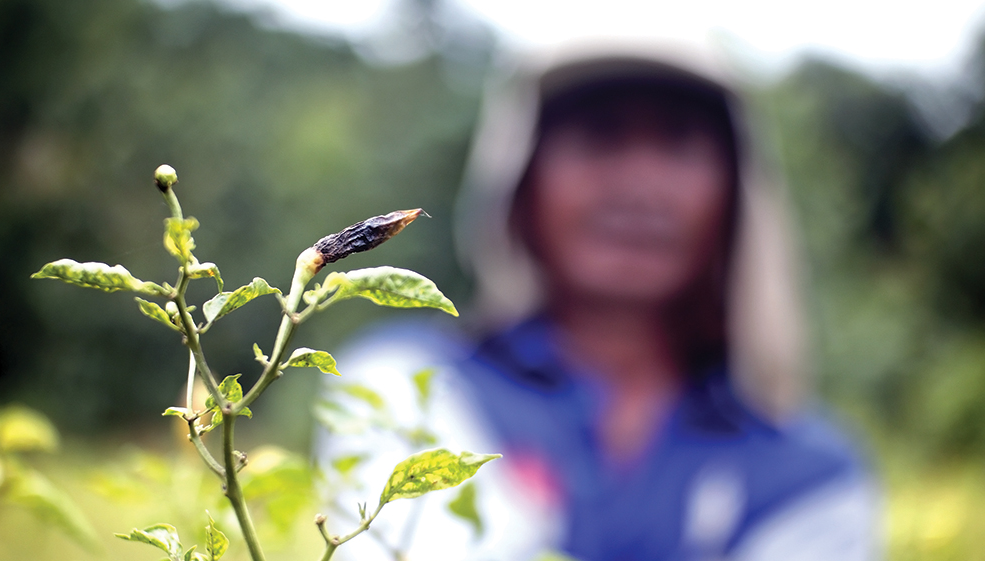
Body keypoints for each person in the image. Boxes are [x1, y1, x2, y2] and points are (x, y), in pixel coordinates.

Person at [317, 39, 880, 561]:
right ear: (521, 181)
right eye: (599, 136)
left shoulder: (808, 475)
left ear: (734, 192)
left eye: (679, 143)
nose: (640, 184)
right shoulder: (405, 386)